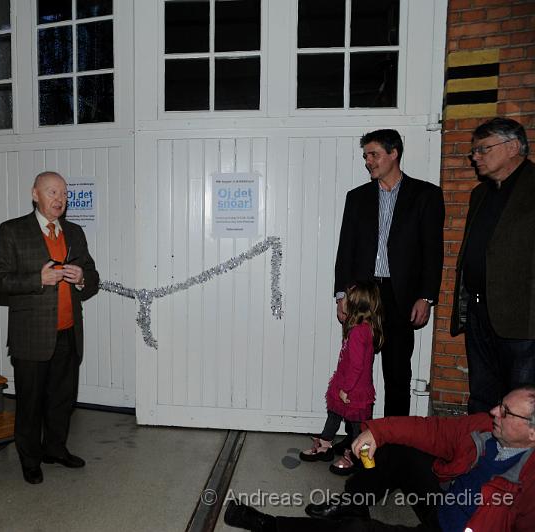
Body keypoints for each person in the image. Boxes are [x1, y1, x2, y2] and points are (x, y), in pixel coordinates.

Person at [224, 386, 535, 532]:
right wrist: (377, 432)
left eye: (506, 412)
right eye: (499, 404)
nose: (495, 412)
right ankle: (354, 501)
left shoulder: (528, 482)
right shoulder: (484, 428)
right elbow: (434, 429)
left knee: (355, 531)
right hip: (446, 505)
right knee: (397, 448)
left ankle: (267, 525)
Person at [0, 171, 99, 484]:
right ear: (35, 194)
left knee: (62, 400)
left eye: (63, 194)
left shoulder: (75, 233)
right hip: (31, 337)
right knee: (30, 402)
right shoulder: (12, 231)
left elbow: (93, 277)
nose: (60, 199)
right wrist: (38, 279)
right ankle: (30, 458)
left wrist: (81, 279)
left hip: (68, 332)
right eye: (52, 192)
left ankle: (55, 449)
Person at [335, 129, 445, 419]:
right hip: (363, 297)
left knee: (397, 373)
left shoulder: (426, 195)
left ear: (394, 153)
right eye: (365, 156)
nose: (368, 161)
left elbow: (433, 251)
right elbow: (345, 249)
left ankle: (395, 441)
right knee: (356, 370)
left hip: (401, 296)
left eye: (374, 155)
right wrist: (341, 295)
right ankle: (357, 437)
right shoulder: (357, 198)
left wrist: (426, 296)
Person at [450, 117, 535, 414]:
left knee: (519, 405)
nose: (475, 157)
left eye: (483, 149)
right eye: (474, 151)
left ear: (513, 147)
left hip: (522, 321)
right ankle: (479, 455)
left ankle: (518, 461)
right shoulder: (480, 194)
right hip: (478, 312)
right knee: (482, 396)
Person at [299, 282, 383, 476]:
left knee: (357, 426)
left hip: (353, 388)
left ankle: (357, 457)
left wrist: (346, 388)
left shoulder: (358, 332)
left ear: (356, 304)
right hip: (346, 382)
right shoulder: (362, 326)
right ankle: (326, 443)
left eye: (346, 298)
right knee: (334, 414)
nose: (341, 301)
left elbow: (356, 366)